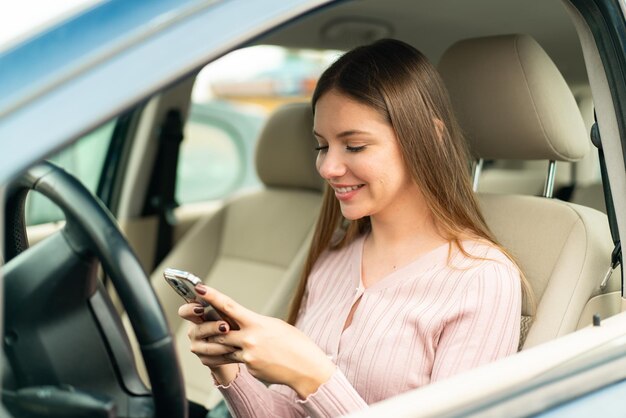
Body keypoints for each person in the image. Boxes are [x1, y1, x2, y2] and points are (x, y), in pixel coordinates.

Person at [178, 38, 532, 418]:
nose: (328, 168)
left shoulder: (481, 278)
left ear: (429, 136)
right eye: (321, 146)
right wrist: (228, 369)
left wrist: (313, 377)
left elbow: (312, 383)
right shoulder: (331, 261)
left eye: (355, 146)